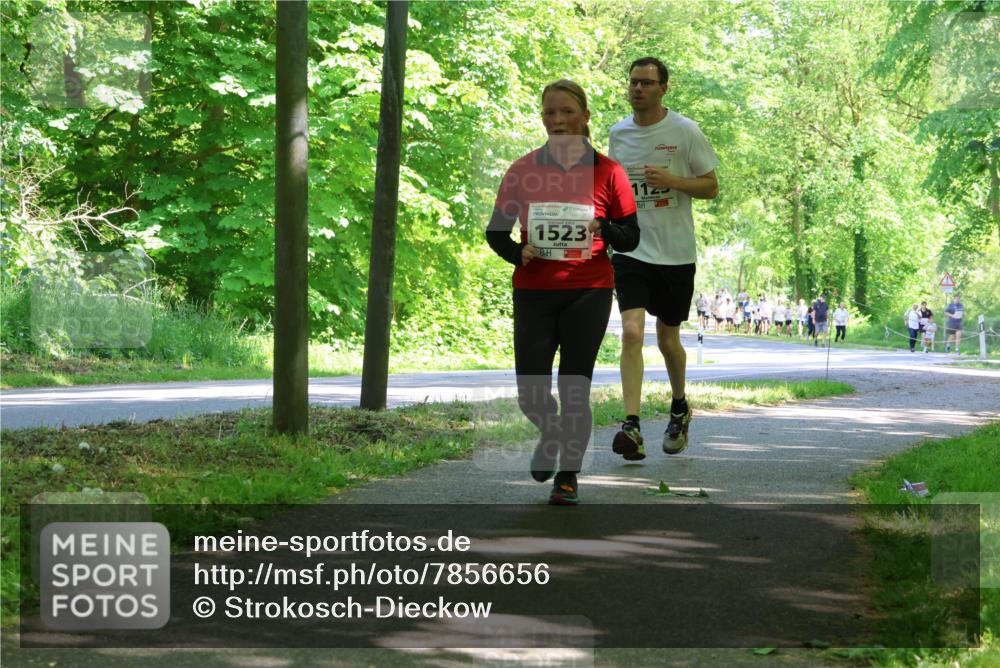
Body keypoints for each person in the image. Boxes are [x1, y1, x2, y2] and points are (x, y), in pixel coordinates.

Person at [486, 79, 639, 504]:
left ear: (585, 116)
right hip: (534, 292)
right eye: (550, 112)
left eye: (567, 111)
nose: (558, 120)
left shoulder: (609, 172)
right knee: (531, 394)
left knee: (575, 388)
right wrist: (520, 253)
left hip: (588, 290)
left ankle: (568, 476)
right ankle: (550, 433)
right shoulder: (522, 170)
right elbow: (496, 233)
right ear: (542, 118)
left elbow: (631, 237)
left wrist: (604, 228)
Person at [608, 56, 720, 460]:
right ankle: (631, 425)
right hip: (631, 248)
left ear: (663, 88)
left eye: (646, 83)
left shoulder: (685, 130)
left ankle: (678, 407)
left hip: (674, 252)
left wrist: (672, 181)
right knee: (632, 333)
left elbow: (711, 187)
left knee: (668, 339)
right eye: (633, 82)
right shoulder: (618, 133)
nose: (637, 89)